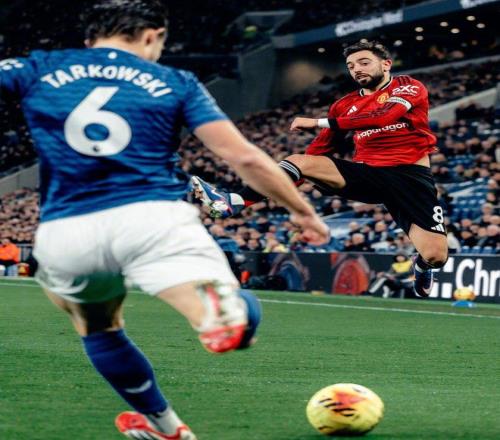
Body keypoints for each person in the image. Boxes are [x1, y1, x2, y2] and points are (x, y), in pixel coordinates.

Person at [0, 1, 330, 439]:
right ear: (153, 35)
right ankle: (217, 311)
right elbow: (244, 157)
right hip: (151, 217)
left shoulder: (40, 66)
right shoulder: (175, 81)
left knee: (97, 327)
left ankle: (165, 426)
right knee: (231, 311)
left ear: (90, 38)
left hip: (67, 228)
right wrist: (303, 211)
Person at [192, 40, 448, 298]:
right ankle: (232, 202)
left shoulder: (408, 86)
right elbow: (317, 152)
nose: (357, 69)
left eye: (364, 62)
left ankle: (422, 267)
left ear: (386, 64)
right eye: (351, 66)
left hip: (411, 179)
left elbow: (383, 117)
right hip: (369, 175)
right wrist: (286, 183)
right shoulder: (344, 105)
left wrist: (317, 122)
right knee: (299, 160)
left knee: (436, 256)